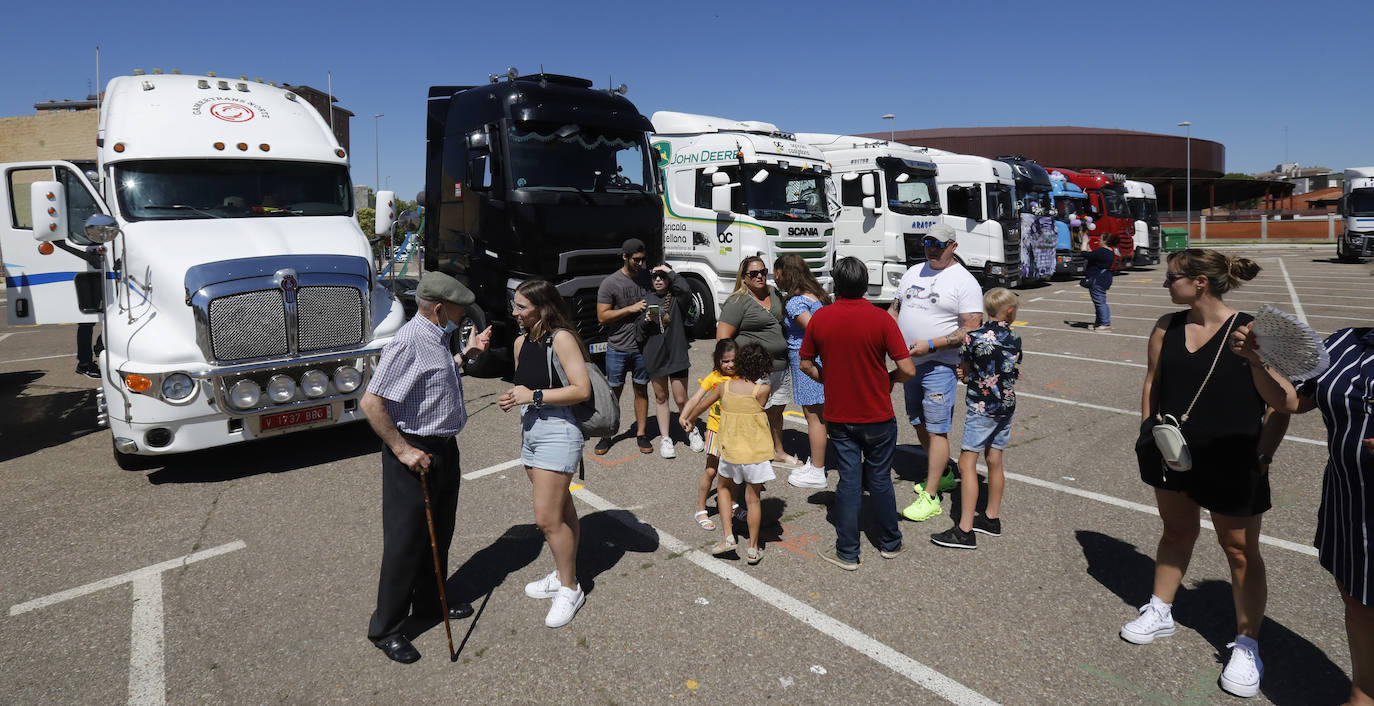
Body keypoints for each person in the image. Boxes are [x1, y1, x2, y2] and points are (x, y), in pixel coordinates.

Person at [1124, 249, 1288, 699]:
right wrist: (1146, 432)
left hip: (1235, 456)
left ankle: (1248, 643)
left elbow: (1283, 401)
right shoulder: (1167, 325)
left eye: (1171, 278)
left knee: (1238, 551)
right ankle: (1160, 610)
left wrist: (1265, 454)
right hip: (1171, 452)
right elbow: (1152, 380)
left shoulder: (1254, 329)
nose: (1165, 285)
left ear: (1199, 282)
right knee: (1176, 531)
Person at [1232, 322, 1374, 705]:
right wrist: (1258, 362)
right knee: (1357, 598)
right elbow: (1292, 401)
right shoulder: (1347, 342)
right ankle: (1363, 693)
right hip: (1351, 498)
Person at [361, 271, 491, 664]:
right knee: (406, 543)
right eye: (457, 310)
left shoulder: (436, 337)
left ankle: (431, 604)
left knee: (441, 533)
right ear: (438, 308)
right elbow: (372, 403)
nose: (462, 315)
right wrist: (402, 450)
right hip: (415, 453)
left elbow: (431, 377)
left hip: (443, 450)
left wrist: (466, 355)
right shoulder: (409, 341)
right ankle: (386, 628)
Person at [800, 256, 915, 570]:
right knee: (880, 480)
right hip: (878, 413)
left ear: (836, 285)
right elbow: (907, 368)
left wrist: (829, 378)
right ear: (865, 284)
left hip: (840, 415)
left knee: (849, 482)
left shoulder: (821, 318)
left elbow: (805, 363)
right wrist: (889, 379)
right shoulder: (881, 319)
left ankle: (848, 552)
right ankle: (890, 542)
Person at [498, 279, 593, 629]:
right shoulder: (522, 342)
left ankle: (570, 587)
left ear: (542, 306)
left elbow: (580, 390)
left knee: (546, 518)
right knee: (561, 510)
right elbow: (526, 385)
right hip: (532, 430)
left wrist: (533, 396)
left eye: (522, 306)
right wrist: (516, 397)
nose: (515, 312)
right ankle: (563, 574)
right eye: (515, 305)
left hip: (559, 431)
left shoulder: (562, 339)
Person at [890, 224, 986, 523]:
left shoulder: (964, 281)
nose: (932, 248)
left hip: (939, 366)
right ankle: (943, 473)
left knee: (936, 427)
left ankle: (931, 496)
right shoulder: (913, 272)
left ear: (953, 247)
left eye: (939, 244)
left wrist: (931, 345)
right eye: (927, 242)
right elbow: (894, 310)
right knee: (917, 421)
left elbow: (972, 327)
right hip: (908, 364)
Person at [932, 288, 1022, 550]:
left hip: (982, 407)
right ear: (1009, 311)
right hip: (1005, 405)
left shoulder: (973, 338)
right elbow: (1012, 367)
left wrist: (966, 376)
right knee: (995, 459)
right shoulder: (1014, 337)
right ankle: (992, 517)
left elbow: (965, 369)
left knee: (967, 461)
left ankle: (965, 529)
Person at [680, 343, 776, 564]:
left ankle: (728, 538)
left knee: (723, 488)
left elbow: (702, 404)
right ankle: (753, 548)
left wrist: (690, 418)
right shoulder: (762, 391)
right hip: (755, 453)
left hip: (730, 450)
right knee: (753, 500)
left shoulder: (725, 388)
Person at [716, 256, 797, 466]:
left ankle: (778, 450)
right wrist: (728, 368)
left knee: (777, 410)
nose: (760, 276)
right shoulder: (737, 301)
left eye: (763, 271)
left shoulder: (774, 293)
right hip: (754, 370)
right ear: (744, 277)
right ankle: (751, 452)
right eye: (754, 273)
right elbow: (723, 339)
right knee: (754, 411)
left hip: (780, 365)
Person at [775, 254, 831, 489]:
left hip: (807, 360)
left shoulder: (796, 302)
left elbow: (816, 330)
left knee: (814, 416)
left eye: (777, 273)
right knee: (818, 414)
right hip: (816, 359)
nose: (775, 278)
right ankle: (815, 462)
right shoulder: (816, 295)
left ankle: (818, 471)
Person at [638, 263, 704, 458]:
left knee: (681, 398)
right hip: (655, 357)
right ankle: (665, 438)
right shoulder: (646, 300)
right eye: (655, 277)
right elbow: (638, 332)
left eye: (662, 276)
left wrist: (670, 272)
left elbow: (685, 288)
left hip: (676, 356)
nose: (658, 280)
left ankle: (691, 430)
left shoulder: (677, 298)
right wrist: (645, 320)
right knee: (661, 398)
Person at [595, 238, 653, 455]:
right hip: (618, 347)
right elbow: (602, 316)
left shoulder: (647, 278)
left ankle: (641, 434)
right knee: (614, 392)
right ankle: (606, 434)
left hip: (642, 348)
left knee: (641, 389)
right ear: (625, 257)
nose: (640, 264)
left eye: (642, 260)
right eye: (636, 260)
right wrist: (631, 309)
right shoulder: (611, 283)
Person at [681, 339, 738, 531]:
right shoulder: (713, 378)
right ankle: (700, 509)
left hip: (736, 432)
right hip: (715, 430)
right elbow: (696, 399)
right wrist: (684, 416)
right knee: (712, 470)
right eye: (725, 361)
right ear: (717, 361)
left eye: (733, 360)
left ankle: (733, 503)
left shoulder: (742, 377)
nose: (730, 365)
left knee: (735, 471)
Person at [1083, 233, 1119, 331]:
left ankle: (1105, 323)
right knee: (1099, 301)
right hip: (1104, 278)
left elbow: (1084, 254)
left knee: (1100, 302)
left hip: (1098, 280)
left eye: (1100, 238)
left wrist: (1084, 242)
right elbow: (1093, 256)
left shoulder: (1102, 251)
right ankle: (1099, 322)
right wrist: (1088, 246)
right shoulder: (1108, 251)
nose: (1098, 239)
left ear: (1105, 241)